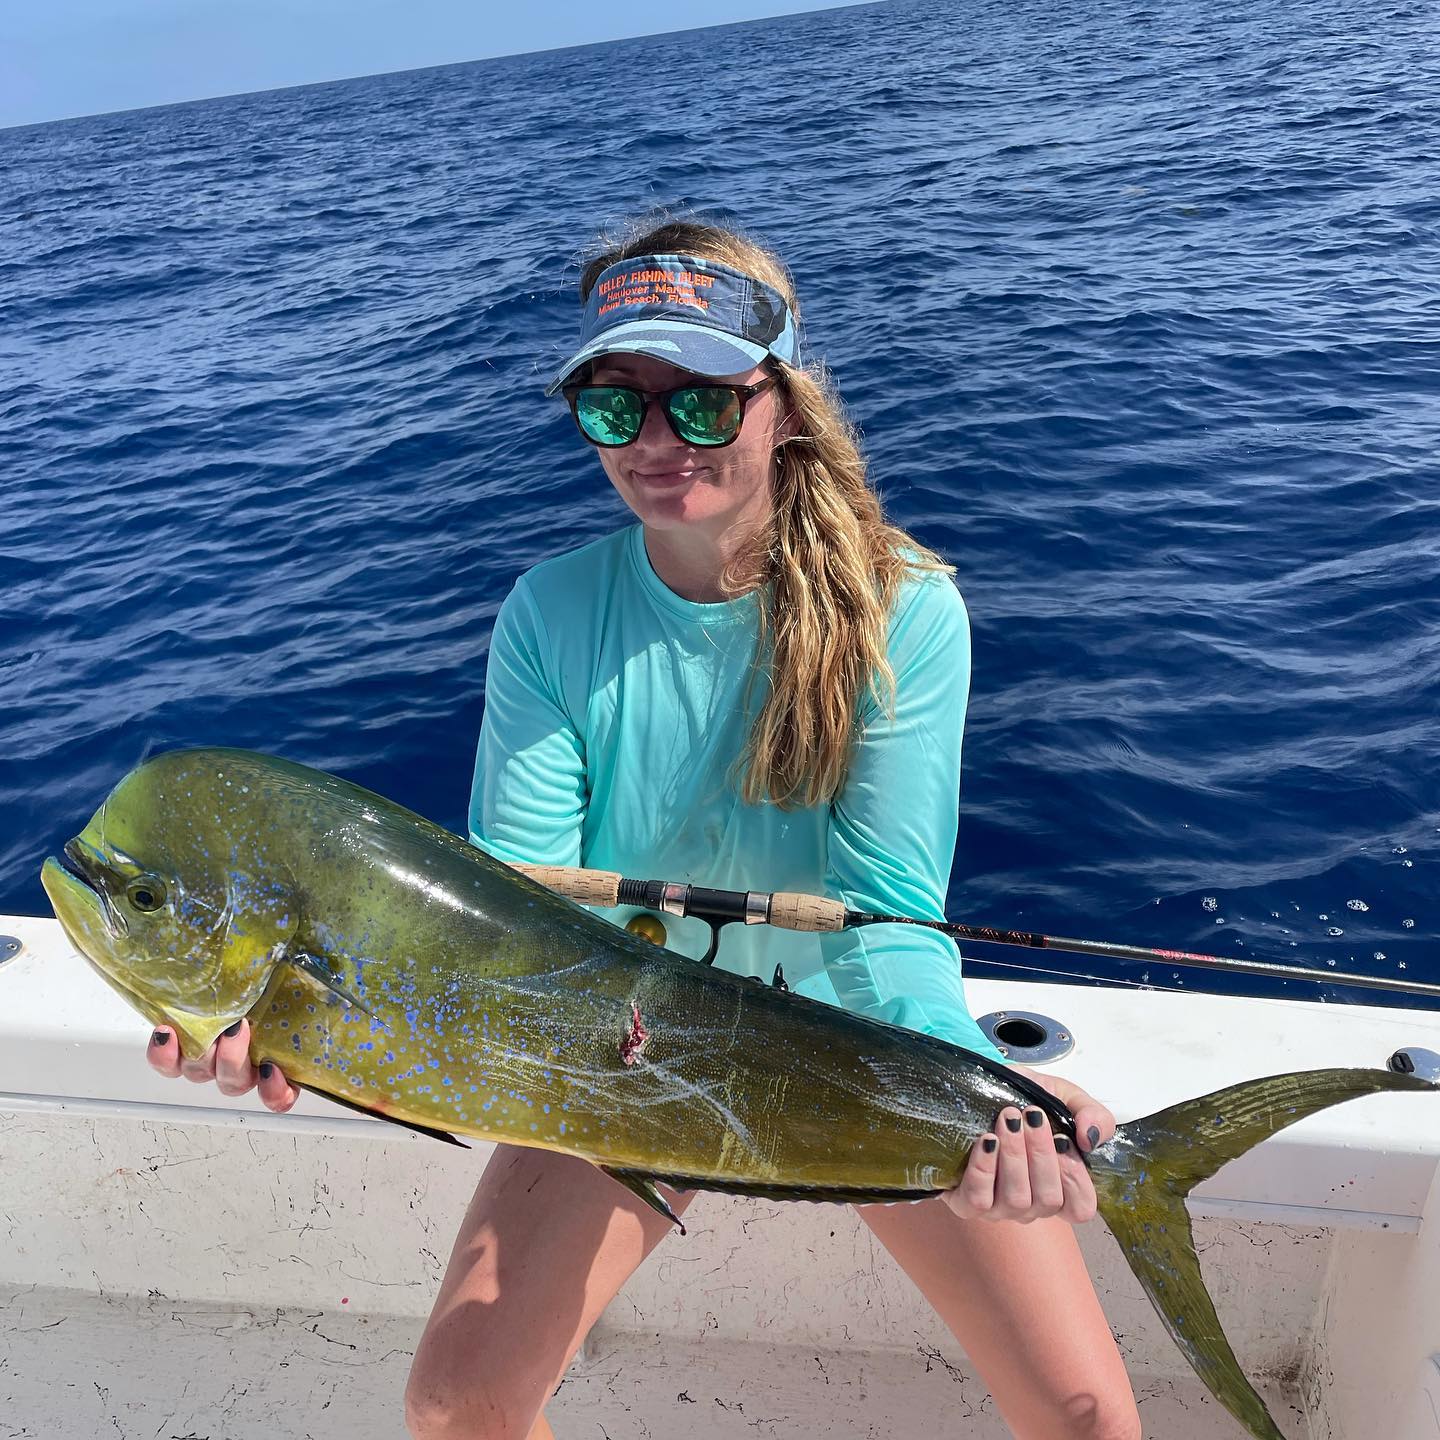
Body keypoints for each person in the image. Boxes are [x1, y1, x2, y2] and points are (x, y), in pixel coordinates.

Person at [148, 218, 1141, 1440]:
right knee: (459, 1405)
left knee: (1091, 1416)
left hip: (851, 1046)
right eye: (619, 410)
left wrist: (968, 1087)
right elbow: (515, 920)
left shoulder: (907, 608)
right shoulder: (550, 611)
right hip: (613, 1056)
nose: (659, 444)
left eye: (702, 406)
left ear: (782, 402)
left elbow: (887, 913)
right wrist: (314, 1035)